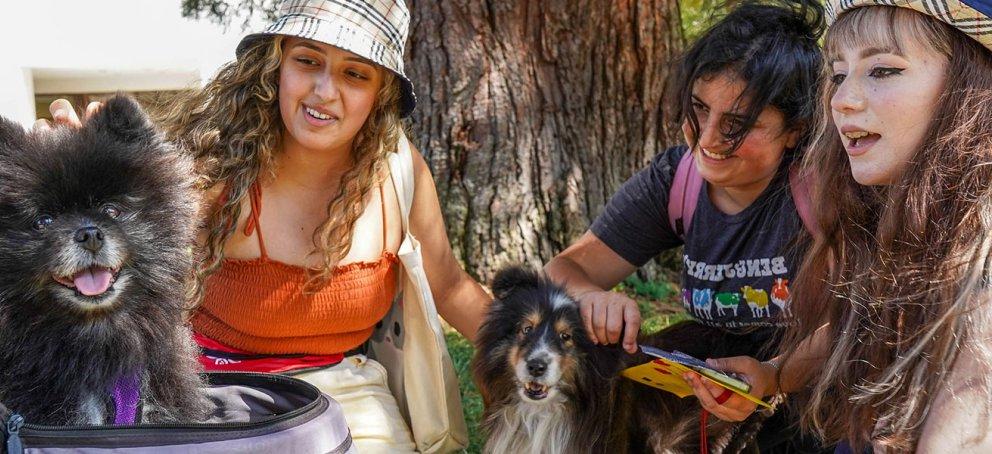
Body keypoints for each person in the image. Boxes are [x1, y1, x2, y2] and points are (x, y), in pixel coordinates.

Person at [40, 1, 489, 452]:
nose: (324, 91)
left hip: (349, 394)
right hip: (214, 393)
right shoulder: (215, 167)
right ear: (275, 65)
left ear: (382, 92)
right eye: (307, 60)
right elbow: (121, 252)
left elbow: (449, 285)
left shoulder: (398, 172)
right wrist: (84, 165)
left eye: (356, 74)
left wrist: (540, 343)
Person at [687, 1, 992, 451]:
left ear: (973, 85)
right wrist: (773, 374)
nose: (842, 99)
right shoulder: (907, 217)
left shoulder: (982, 268)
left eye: (884, 70)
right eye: (837, 73)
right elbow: (870, 314)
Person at [544, 0, 828, 450]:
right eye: (699, 107)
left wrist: (775, 377)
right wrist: (592, 296)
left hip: (812, 394)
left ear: (796, 129)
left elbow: (863, 322)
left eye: (739, 124)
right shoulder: (676, 179)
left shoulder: (823, 188)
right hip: (713, 390)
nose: (709, 139)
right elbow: (564, 269)